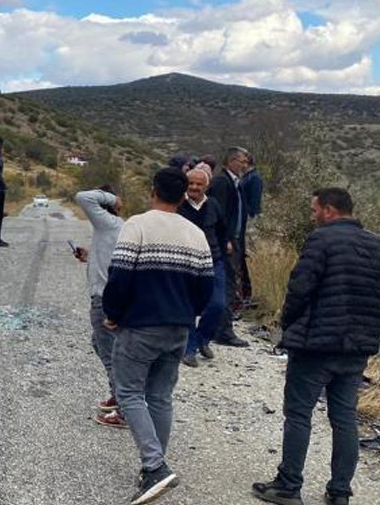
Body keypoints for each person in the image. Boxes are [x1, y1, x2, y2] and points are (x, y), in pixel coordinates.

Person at [252, 188, 380, 505]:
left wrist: (289, 326)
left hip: (316, 346)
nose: (312, 216)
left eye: (313, 210)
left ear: (329, 210)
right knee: (344, 418)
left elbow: (299, 289)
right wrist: (366, 329)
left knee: (299, 413)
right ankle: (339, 492)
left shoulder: (321, 241)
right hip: (357, 349)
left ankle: (289, 485)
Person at [103, 167, 214, 505]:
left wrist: (113, 314)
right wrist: (187, 314)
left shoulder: (136, 225)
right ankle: (155, 468)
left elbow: (119, 277)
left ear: (153, 191)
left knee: (129, 393)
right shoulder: (195, 233)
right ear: (183, 196)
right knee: (161, 396)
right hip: (179, 327)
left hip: (141, 325)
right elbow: (206, 287)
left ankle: (155, 467)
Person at [74, 186, 126, 428]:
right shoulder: (115, 228)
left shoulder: (108, 222)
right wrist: (89, 255)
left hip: (103, 300)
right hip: (111, 297)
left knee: (110, 355)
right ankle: (121, 397)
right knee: (101, 344)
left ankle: (125, 409)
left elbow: (83, 196)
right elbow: (109, 257)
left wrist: (113, 198)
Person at [178, 165, 228, 367]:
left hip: (213, 261)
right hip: (186, 263)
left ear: (206, 187)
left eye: (199, 184)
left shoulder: (214, 205)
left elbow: (223, 230)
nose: (195, 187)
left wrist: (225, 249)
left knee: (218, 305)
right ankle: (189, 349)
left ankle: (202, 339)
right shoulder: (179, 205)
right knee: (189, 307)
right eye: (191, 183)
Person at [207, 147, 250, 347]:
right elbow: (217, 214)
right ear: (231, 161)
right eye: (242, 161)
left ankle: (219, 328)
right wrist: (225, 239)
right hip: (226, 243)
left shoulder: (235, 183)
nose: (245, 164)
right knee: (227, 285)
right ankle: (222, 330)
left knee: (229, 283)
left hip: (235, 240)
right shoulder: (222, 183)